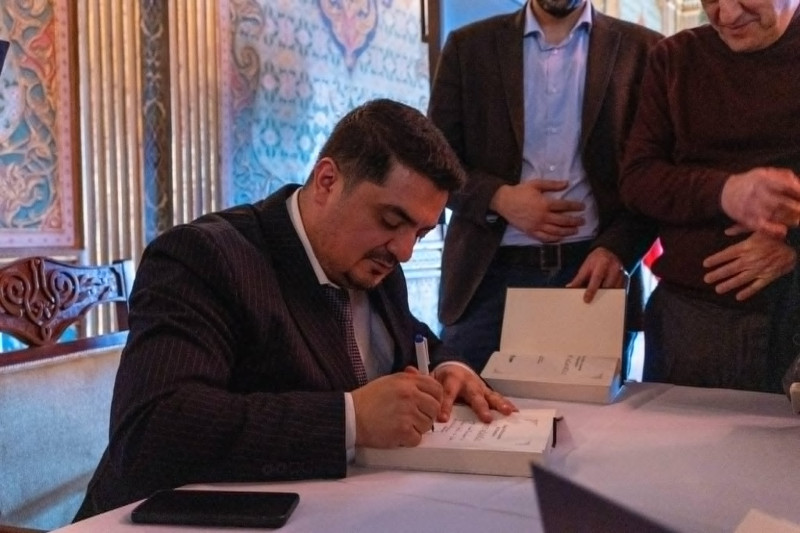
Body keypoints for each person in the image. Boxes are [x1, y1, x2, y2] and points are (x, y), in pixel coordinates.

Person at [74, 99, 516, 520]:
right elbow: (154, 429)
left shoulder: (376, 265)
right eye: (391, 221)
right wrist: (351, 419)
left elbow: (409, 337)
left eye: (419, 233)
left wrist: (449, 366)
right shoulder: (204, 257)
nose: (403, 251)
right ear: (327, 181)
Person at [428, 0, 662, 374]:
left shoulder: (645, 50)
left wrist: (619, 250)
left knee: (587, 412)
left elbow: (657, 172)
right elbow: (435, 164)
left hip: (593, 276)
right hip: (486, 278)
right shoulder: (467, 46)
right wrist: (499, 198)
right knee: (464, 403)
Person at [620, 0, 800, 392]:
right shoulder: (675, 58)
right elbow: (638, 179)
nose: (726, 15)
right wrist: (724, 191)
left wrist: (794, 244)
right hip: (691, 322)